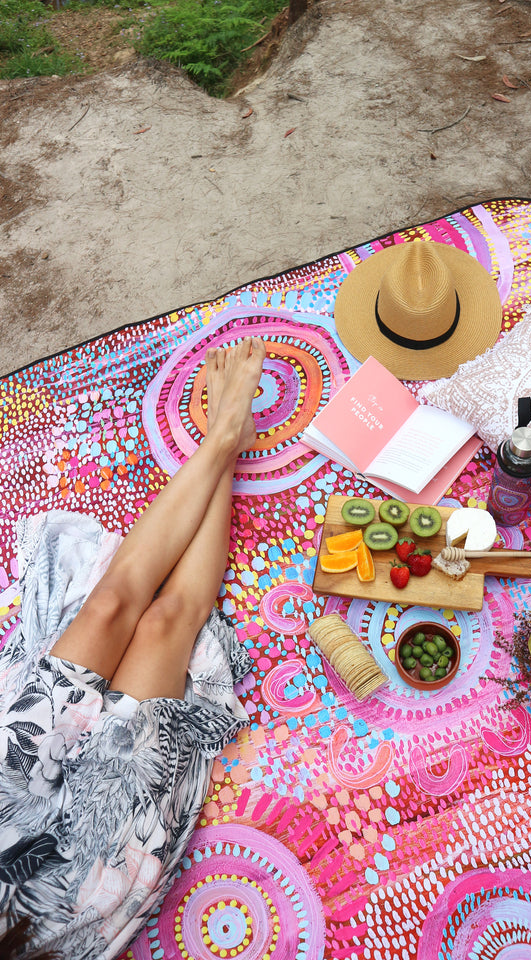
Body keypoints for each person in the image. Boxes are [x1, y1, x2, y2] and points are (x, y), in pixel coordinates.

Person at [0, 338, 266, 959]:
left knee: (109, 605)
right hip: (70, 886)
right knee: (165, 625)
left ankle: (223, 438)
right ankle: (227, 441)